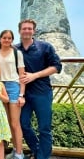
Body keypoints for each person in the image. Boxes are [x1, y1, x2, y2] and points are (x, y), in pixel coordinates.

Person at [16, 19, 62, 159]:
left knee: (44, 128)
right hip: (23, 94)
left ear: (34, 31)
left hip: (42, 92)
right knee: (23, 124)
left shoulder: (45, 47)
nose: (27, 31)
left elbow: (57, 67)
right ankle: (37, 151)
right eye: (24, 28)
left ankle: (43, 156)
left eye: (30, 28)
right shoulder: (15, 49)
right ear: (19, 31)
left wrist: (35, 75)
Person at [0, 30, 26, 159]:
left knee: (15, 123)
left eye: (9, 38)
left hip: (13, 86)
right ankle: (14, 149)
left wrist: (21, 95)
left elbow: (22, 75)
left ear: (12, 40)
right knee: (7, 122)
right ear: (0, 39)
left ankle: (19, 153)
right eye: (4, 38)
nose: (7, 40)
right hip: (1, 86)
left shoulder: (17, 53)